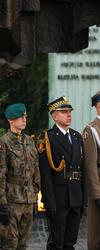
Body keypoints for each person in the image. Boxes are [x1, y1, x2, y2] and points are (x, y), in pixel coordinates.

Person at [38, 96, 87, 250]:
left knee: (70, 242)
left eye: (69, 111)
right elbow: (45, 175)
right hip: (59, 197)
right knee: (56, 243)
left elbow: (83, 169)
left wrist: (83, 197)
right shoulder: (48, 138)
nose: (69, 115)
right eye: (64, 112)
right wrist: (49, 201)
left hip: (75, 196)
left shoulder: (77, 136)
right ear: (54, 116)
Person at [0, 103, 40, 250]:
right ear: (11, 120)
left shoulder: (29, 141)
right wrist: (3, 202)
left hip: (28, 201)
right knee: (9, 243)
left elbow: (36, 171)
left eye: (25, 116)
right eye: (20, 117)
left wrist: (34, 195)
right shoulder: (3, 142)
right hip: (11, 202)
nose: (24, 119)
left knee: (23, 244)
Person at [82, 90, 100, 250]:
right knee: (96, 234)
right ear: (99, 106)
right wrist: (96, 193)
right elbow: (90, 164)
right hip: (99, 185)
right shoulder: (91, 129)